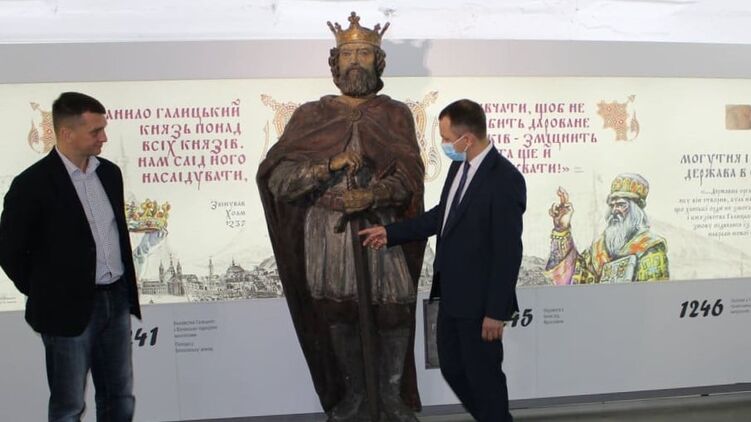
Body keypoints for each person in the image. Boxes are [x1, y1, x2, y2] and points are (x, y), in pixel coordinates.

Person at [256, 12, 426, 422]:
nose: (354, 62)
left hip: (380, 224)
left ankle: (390, 395)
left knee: (394, 310)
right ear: (335, 62)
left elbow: (410, 177)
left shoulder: (395, 114)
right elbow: (278, 179)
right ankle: (353, 395)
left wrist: (373, 193)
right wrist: (326, 166)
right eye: (347, 54)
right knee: (337, 311)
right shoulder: (311, 116)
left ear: (378, 62)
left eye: (364, 54)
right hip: (327, 232)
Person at [360, 99, 526, 422]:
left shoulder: (505, 180)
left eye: (447, 139)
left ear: (468, 139)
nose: (444, 145)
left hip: (481, 306)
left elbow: (508, 253)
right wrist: (390, 233)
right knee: (452, 368)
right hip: (451, 297)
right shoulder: (458, 167)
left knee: (485, 378)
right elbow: (442, 216)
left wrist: (496, 312)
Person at [0, 92, 141, 422]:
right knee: (68, 406)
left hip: (115, 300)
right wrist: (45, 291)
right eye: (96, 131)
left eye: (103, 129)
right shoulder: (31, 184)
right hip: (64, 310)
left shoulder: (110, 174)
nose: (104, 137)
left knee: (120, 398)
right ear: (67, 133)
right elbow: (9, 251)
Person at [545, 174, 669, 285]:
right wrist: (562, 228)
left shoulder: (650, 247)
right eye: (612, 205)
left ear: (635, 211)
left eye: (621, 205)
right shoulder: (597, 247)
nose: (614, 210)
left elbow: (651, 294)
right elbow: (573, 276)